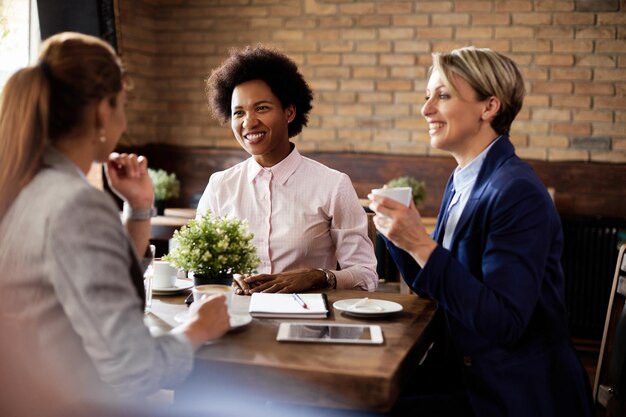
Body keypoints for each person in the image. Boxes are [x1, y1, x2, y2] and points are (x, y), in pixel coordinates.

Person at [0, 32, 230, 407]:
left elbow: (95, 280)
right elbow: (136, 371)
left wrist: (139, 209)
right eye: (123, 104)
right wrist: (197, 329)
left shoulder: (25, 186)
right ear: (102, 112)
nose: (125, 120)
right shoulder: (75, 204)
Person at [369, 47, 593, 417]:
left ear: (489, 106)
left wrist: (421, 243)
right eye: (427, 96)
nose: (426, 109)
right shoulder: (463, 179)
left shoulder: (516, 191)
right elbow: (437, 286)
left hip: (511, 393)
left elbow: (503, 323)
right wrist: (397, 239)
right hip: (464, 369)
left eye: (442, 95)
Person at [198, 45, 377, 294]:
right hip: (234, 320)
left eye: (261, 108)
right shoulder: (220, 186)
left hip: (306, 324)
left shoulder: (333, 185)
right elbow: (195, 266)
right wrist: (229, 276)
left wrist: (318, 276)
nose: (249, 122)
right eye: (239, 112)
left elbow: (366, 275)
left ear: (289, 112)